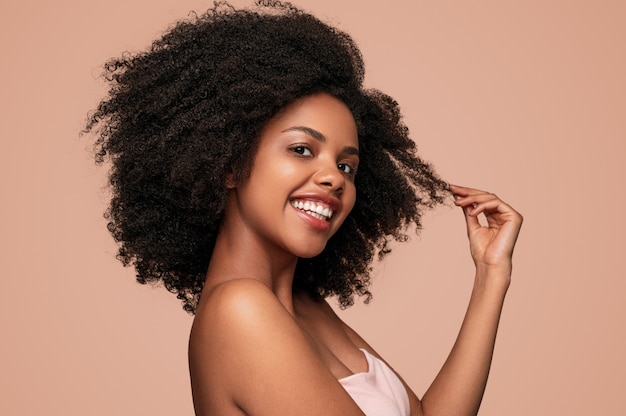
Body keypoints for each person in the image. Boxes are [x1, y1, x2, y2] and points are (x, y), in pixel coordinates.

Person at [85, 1, 523, 415]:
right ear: (228, 164)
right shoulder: (239, 311)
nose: (334, 177)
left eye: (347, 165)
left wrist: (490, 276)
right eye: (301, 148)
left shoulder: (303, 306)